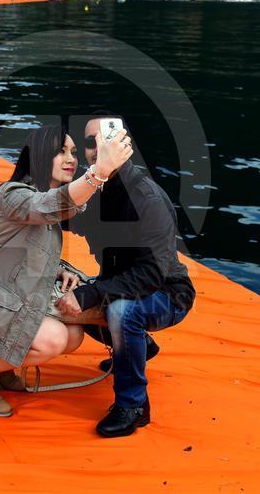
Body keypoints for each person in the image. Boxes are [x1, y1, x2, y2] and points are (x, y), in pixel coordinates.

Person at [0, 124, 133, 417]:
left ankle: (2, 367)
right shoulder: (13, 195)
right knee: (53, 338)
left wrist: (60, 270)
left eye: (74, 152)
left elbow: (22, 253)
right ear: (39, 156)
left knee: (74, 334)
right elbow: (54, 203)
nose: (71, 159)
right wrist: (98, 173)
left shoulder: (45, 206)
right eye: (60, 152)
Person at [60, 114, 195, 437]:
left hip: (166, 294)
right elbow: (65, 219)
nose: (95, 148)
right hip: (121, 285)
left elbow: (150, 275)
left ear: (123, 146)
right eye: (89, 143)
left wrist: (90, 294)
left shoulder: (148, 200)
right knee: (63, 293)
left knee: (120, 310)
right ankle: (139, 347)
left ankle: (133, 406)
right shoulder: (97, 190)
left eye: (104, 139)